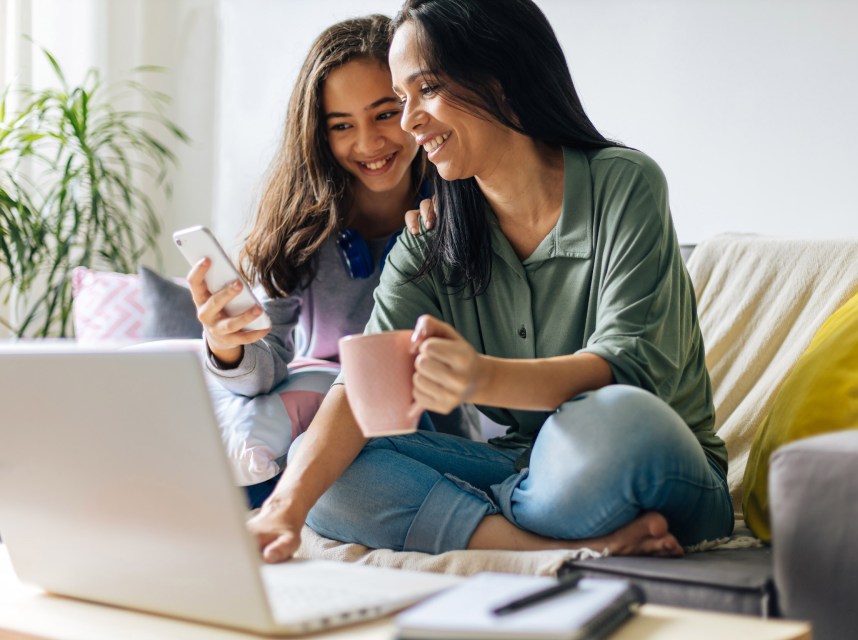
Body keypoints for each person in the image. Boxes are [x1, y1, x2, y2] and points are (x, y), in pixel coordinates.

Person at [249, 0, 734, 562]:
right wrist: (285, 506)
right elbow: (359, 390)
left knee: (622, 421)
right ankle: (537, 542)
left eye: (425, 89)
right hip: (520, 465)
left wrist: (478, 378)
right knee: (323, 468)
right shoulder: (430, 236)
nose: (408, 123)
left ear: (499, 76)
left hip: (642, 455)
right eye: (401, 101)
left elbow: (626, 366)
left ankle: (481, 514)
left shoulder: (624, 184)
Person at [185, 15, 471, 507]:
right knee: (260, 451)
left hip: (416, 426)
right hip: (310, 418)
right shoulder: (302, 228)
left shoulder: (463, 210)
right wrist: (226, 346)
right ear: (319, 135)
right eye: (342, 125)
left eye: (384, 114)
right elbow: (263, 373)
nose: (368, 143)